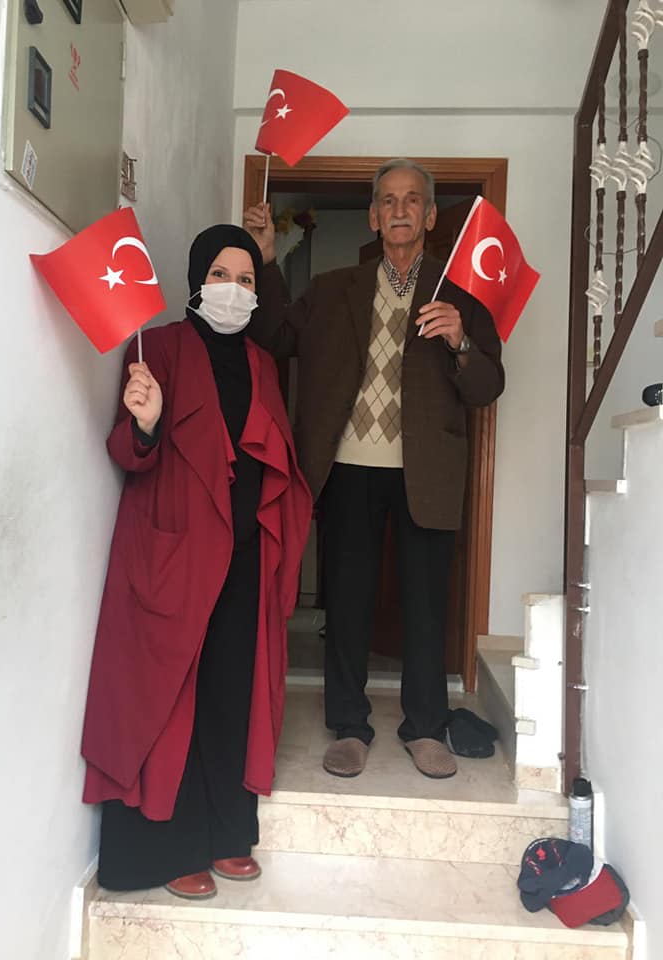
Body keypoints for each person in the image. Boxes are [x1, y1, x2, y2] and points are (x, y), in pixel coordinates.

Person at [243, 158, 504, 781]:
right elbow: (275, 337)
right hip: (346, 467)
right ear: (373, 216)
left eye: (413, 200)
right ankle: (349, 726)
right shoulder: (334, 287)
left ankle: (426, 727)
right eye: (388, 200)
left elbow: (488, 387)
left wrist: (461, 342)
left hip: (428, 472)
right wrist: (266, 261)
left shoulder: (460, 293)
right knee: (348, 601)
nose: (400, 209)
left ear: (431, 216)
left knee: (426, 606)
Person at [80, 225, 312, 900]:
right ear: (195, 280)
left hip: (242, 559)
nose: (232, 290)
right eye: (219, 275)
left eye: (246, 280)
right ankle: (169, 846)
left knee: (230, 693)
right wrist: (146, 422)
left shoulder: (262, 363)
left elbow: (274, 460)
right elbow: (128, 453)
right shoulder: (158, 349)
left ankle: (226, 833)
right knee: (169, 694)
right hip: (174, 554)